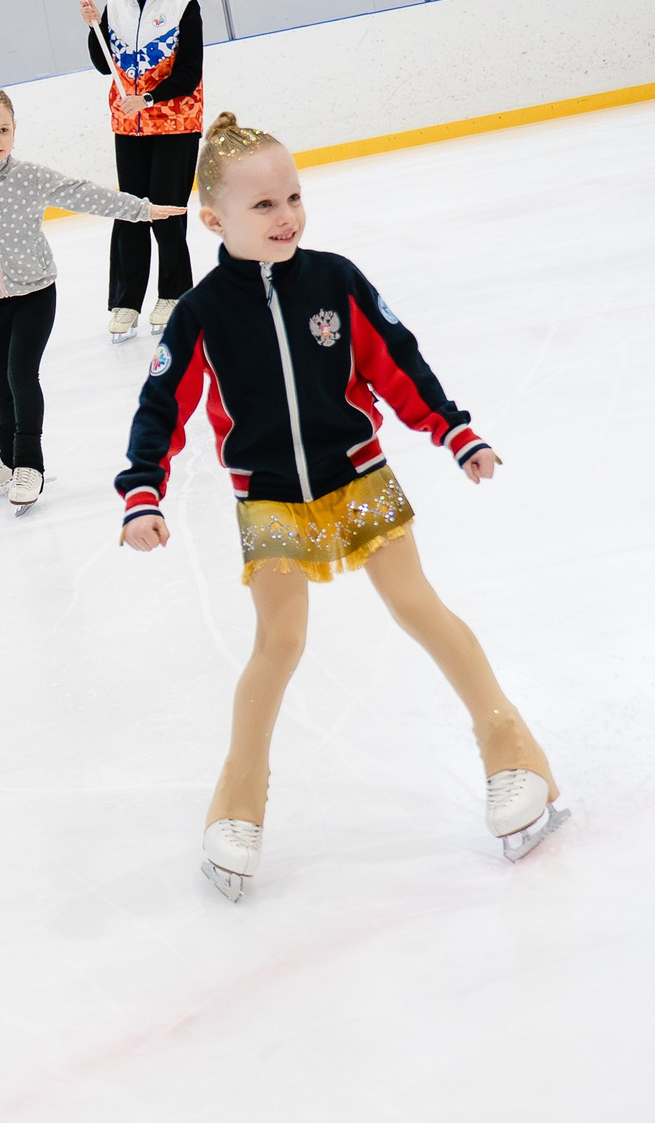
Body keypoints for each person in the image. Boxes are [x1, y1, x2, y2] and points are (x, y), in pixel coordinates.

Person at [116, 114, 568, 902]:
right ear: (214, 220)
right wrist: (142, 490)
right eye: (264, 205)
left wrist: (453, 430)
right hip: (269, 498)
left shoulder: (335, 281)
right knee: (279, 642)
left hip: (358, 478)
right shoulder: (201, 315)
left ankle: (515, 756)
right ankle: (237, 805)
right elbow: (162, 406)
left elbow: (398, 363)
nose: (286, 215)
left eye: (293, 197)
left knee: (418, 606)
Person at [0, 86, 185, 510]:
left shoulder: (30, 177)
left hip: (35, 294)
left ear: (15, 131)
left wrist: (142, 210)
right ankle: (8, 457)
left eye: (3, 130)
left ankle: (30, 464)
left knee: (20, 376)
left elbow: (86, 194)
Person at [82, 0, 204, 344]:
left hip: (175, 123)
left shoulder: (183, 5)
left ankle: (173, 294)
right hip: (128, 125)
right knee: (130, 211)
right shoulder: (116, 3)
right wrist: (94, 27)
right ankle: (126, 302)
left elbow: (189, 74)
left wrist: (148, 98)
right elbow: (105, 64)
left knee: (166, 211)